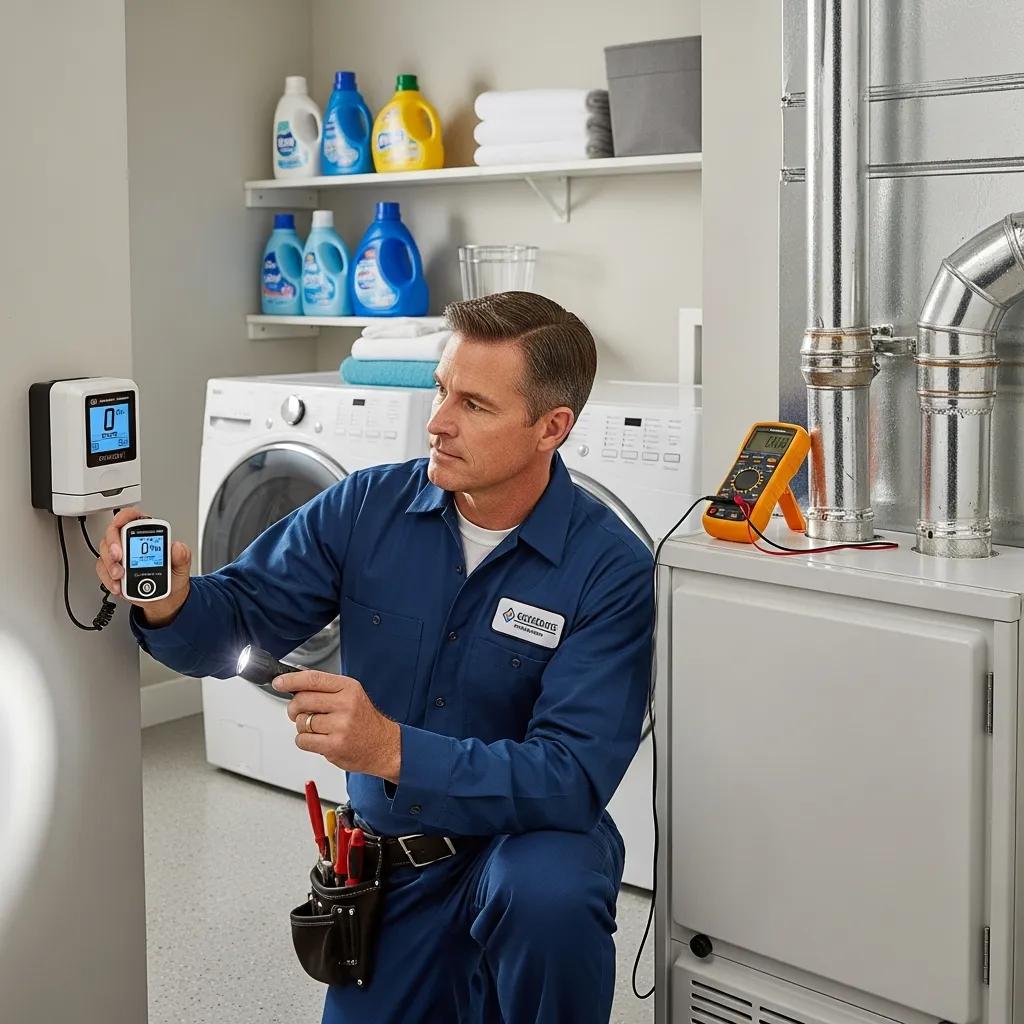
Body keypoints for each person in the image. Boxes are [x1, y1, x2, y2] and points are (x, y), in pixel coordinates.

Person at [97, 290, 654, 1023]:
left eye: (475, 406)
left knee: (547, 892)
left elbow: (571, 776)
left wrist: (392, 749)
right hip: (395, 859)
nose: (437, 422)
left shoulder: (609, 569)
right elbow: (235, 618)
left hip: (528, 849)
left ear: (552, 427)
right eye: (441, 390)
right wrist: (169, 602)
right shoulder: (364, 508)